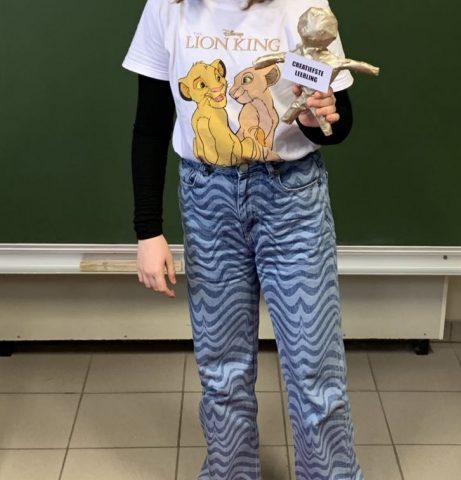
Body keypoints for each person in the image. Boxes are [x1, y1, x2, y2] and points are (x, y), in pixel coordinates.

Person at [122, 0, 364, 478]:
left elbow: (339, 124)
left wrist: (318, 119)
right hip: (207, 199)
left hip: (291, 198)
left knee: (315, 370)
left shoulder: (304, 7)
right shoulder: (169, 7)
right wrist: (147, 230)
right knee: (222, 369)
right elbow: (150, 125)